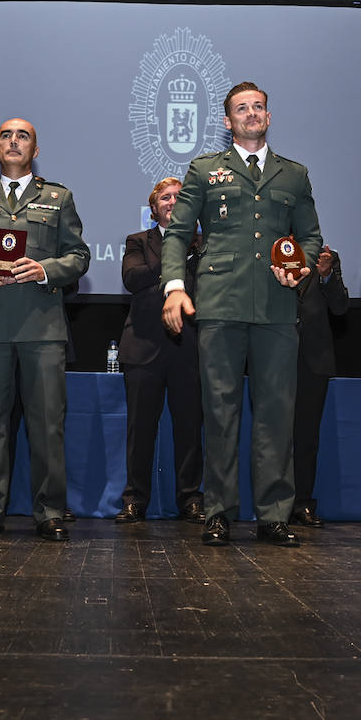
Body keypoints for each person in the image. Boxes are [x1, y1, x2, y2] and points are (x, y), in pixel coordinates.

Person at [161, 82, 322, 547]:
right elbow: (176, 233)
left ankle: (274, 514)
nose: (251, 113)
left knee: (276, 413)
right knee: (221, 412)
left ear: (268, 117)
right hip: (221, 303)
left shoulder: (294, 174)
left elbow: (309, 236)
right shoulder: (204, 170)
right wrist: (175, 287)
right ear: (228, 121)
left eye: (258, 107)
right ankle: (219, 511)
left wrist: (303, 268)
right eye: (241, 109)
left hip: (276, 307)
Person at [0, 118, 90, 541]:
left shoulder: (58, 198)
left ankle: (50, 511)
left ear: (35, 150)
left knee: (47, 425)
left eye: (22, 136)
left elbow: (79, 256)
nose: (13, 141)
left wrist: (44, 269)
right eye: (6, 135)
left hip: (43, 330)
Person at [115, 177, 205, 525]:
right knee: (140, 430)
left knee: (190, 428)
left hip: (190, 347)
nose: (172, 201)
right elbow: (133, 279)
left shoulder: (206, 243)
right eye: (165, 197)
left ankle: (190, 499)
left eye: (179, 197)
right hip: (144, 347)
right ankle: (135, 499)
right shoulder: (137, 241)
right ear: (154, 209)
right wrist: (173, 255)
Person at [290, 243, 350, 528]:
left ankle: (302, 503)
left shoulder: (326, 257)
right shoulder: (264, 250)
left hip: (313, 359)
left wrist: (327, 276)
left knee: (306, 438)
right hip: (273, 355)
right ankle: (271, 505)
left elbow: (340, 307)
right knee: (271, 437)